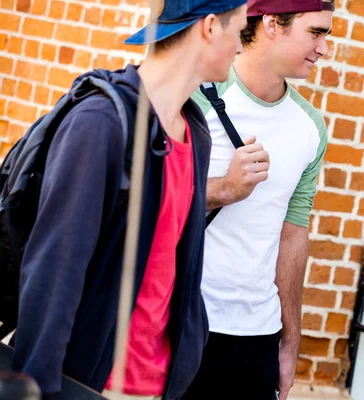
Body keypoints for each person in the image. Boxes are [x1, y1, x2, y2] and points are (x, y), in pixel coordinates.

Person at [11, 1, 248, 399]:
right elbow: (53, 274)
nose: (241, 47)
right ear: (209, 26)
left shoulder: (195, 131)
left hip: (160, 384)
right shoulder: (99, 123)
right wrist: (37, 390)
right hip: (90, 383)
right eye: (240, 31)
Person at [183, 1, 334, 399]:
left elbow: (292, 235)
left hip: (256, 337)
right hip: (183, 322)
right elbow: (150, 200)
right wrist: (225, 189)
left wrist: (289, 341)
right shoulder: (196, 98)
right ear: (271, 24)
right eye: (315, 33)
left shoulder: (310, 127)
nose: (324, 48)